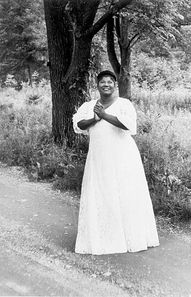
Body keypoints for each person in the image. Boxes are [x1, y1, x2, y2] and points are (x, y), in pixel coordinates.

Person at [73, 70, 159, 255]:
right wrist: (94, 118)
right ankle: (105, 237)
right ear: (97, 85)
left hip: (122, 156)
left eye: (109, 82)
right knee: (102, 193)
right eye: (102, 82)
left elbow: (129, 125)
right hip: (98, 158)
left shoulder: (123, 104)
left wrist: (104, 116)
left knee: (124, 192)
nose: (106, 85)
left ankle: (130, 237)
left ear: (115, 85)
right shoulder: (89, 105)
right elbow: (78, 125)